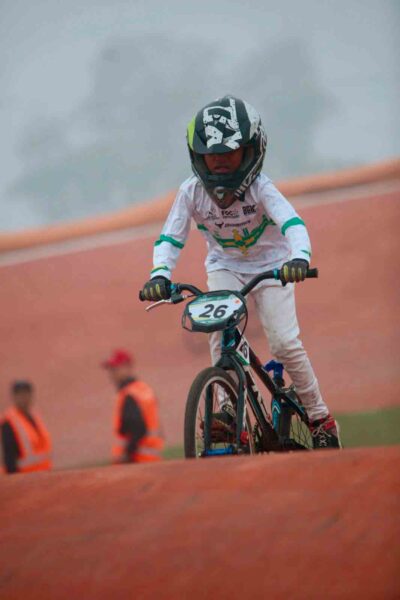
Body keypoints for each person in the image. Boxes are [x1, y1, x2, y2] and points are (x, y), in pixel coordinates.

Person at [140, 95, 341, 449]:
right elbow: (170, 238)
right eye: (211, 155)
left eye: (229, 153)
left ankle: (320, 417)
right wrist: (159, 274)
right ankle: (228, 410)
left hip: (274, 267)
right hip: (225, 266)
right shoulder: (190, 192)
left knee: (284, 343)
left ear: (251, 151)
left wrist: (299, 258)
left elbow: (293, 225)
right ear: (197, 156)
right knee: (219, 333)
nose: (219, 162)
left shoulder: (262, 188)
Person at [102, 349, 164, 463]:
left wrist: (126, 455)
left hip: (137, 462)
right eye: (110, 369)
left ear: (127, 367)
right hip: (152, 459)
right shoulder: (144, 389)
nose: (112, 374)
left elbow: (138, 428)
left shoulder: (128, 394)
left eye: (115, 369)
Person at [1, 380, 52, 474]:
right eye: (20, 395)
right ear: (14, 397)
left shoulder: (34, 417)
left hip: (43, 474)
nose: (24, 398)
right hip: (25, 477)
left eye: (26, 394)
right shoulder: (9, 421)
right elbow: (9, 457)